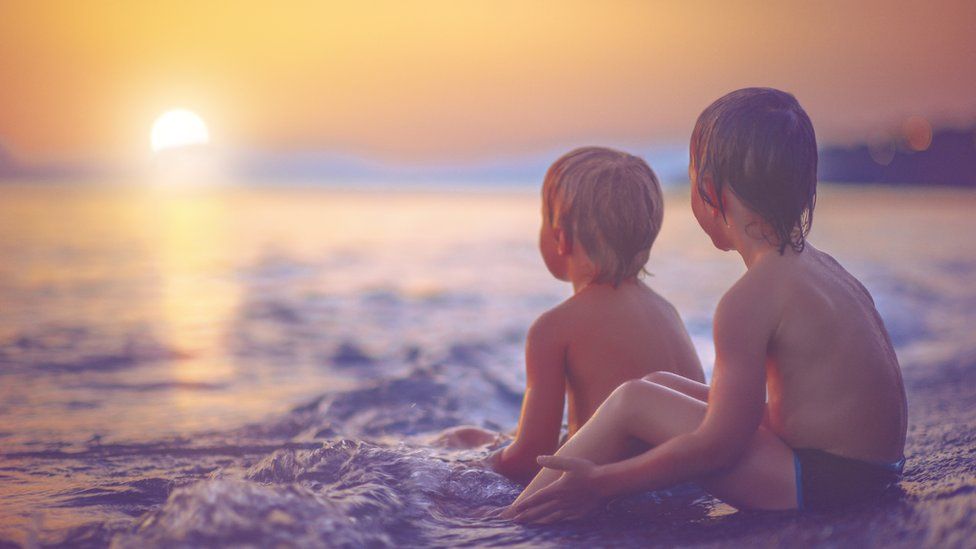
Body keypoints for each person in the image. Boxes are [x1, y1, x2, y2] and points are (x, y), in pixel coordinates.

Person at [505, 88, 908, 522]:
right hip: (865, 471)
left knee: (633, 400)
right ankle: (545, 492)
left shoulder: (749, 299)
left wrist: (606, 481)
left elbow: (719, 447)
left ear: (710, 193)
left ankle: (514, 517)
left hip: (822, 485)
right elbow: (773, 413)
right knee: (658, 382)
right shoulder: (824, 270)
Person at [435, 146, 704, 485]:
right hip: (675, 484)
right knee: (478, 435)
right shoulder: (667, 312)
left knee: (458, 439)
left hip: (605, 495)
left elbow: (530, 457)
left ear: (560, 238)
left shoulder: (554, 328)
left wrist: (465, 465)